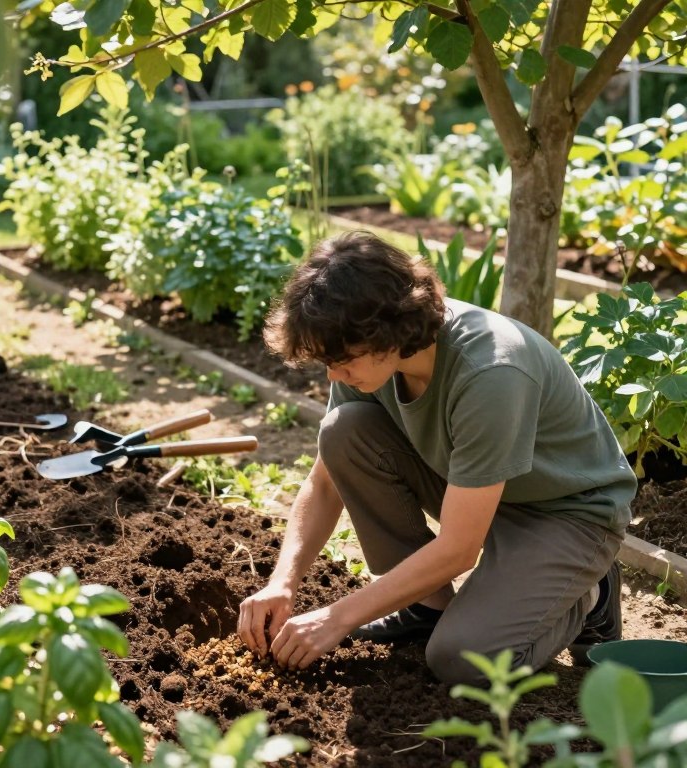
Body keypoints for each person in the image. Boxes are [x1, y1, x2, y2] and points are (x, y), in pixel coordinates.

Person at [237, 231, 637, 684]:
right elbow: (325, 483)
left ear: (388, 332)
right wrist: (282, 582)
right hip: (477, 493)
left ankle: (589, 594)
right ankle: (427, 609)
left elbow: (459, 549)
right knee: (343, 431)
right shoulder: (368, 362)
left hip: (566, 513)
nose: (333, 374)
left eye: (342, 359)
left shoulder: (491, 371)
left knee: (462, 660)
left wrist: (337, 617)